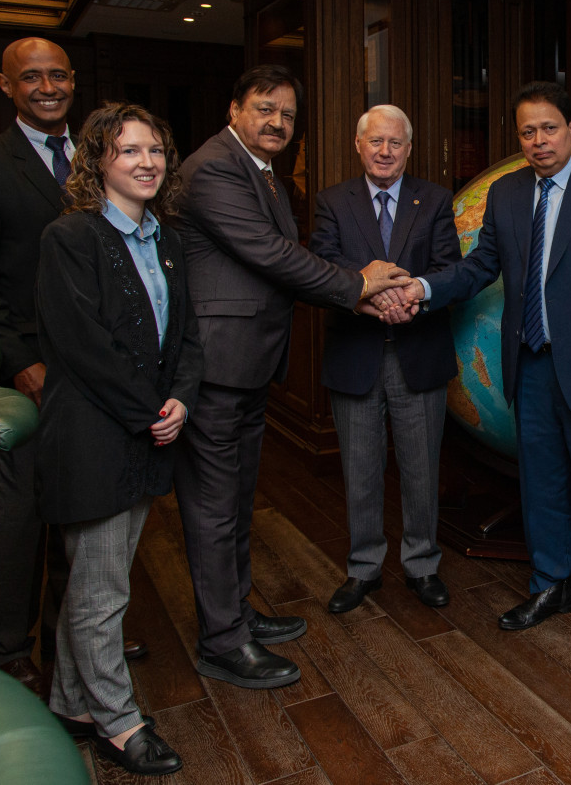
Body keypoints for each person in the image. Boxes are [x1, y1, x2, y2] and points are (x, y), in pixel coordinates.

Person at [174, 65, 408, 689]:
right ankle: (223, 642)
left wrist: (352, 296)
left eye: (287, 115)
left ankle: (236, 615)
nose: (277, 123)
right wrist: (357, 285)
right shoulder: (216, 168)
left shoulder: (264, 172)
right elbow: (273, 255)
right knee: (214, 508)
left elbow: (280, 267)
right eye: (264, 109)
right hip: (219, 364)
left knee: (234, 503)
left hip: (247, 363)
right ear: (234, 109)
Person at [392, 81, 571, 655]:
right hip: (529, 365)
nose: (538, 141)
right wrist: (425, 286)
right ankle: (551, 585)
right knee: (543, 484)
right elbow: (481, 265)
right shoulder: (506, 193)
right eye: (527, 131)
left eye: (549, 128)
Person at [0, 37, 145, 696]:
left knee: (83, 506)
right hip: (30, 370)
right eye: (32, 77)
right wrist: (23, 362)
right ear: (6, 86)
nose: (47, 86)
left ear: (73, 81)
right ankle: (6, 650)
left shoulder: (102, 164)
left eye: (57, 75)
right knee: (24, 514)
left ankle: (72, 641)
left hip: (96, 368)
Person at [38, 102, 202, 776]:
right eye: (130, 151)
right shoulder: (70, 238)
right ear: (98, 161)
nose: (147, 162)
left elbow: (187, 337)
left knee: (98, 585)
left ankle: (71, 702)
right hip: (94, 436)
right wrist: (149, 411)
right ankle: (117, 721)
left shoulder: (166, 237)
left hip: (149, 429)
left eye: (156, 150)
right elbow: (85, 346)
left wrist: (181, 402)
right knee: (104, 593)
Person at [309, 105, 460, 613]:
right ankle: (364, 568)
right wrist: (371, 297)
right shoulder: (332, 202)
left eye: (395, 143)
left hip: (417, 351)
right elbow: (323, 268)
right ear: (358, 145)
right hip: (356, 353)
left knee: (421, 468)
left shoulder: (436, 200)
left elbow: (447, 267)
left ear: (409, 149)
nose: (385, 151)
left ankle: (422, 564)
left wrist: (406, 299)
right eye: (375, 141)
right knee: (361, 467)